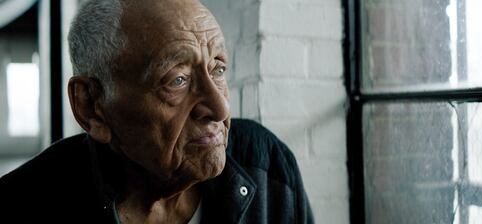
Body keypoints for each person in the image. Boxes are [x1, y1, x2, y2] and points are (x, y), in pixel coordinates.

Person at [0, 0, 313, 223]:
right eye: (177, 80)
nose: (220, 107)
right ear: (92, 107)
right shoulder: (24, 205)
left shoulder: (266, 164)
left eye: (217, 69)